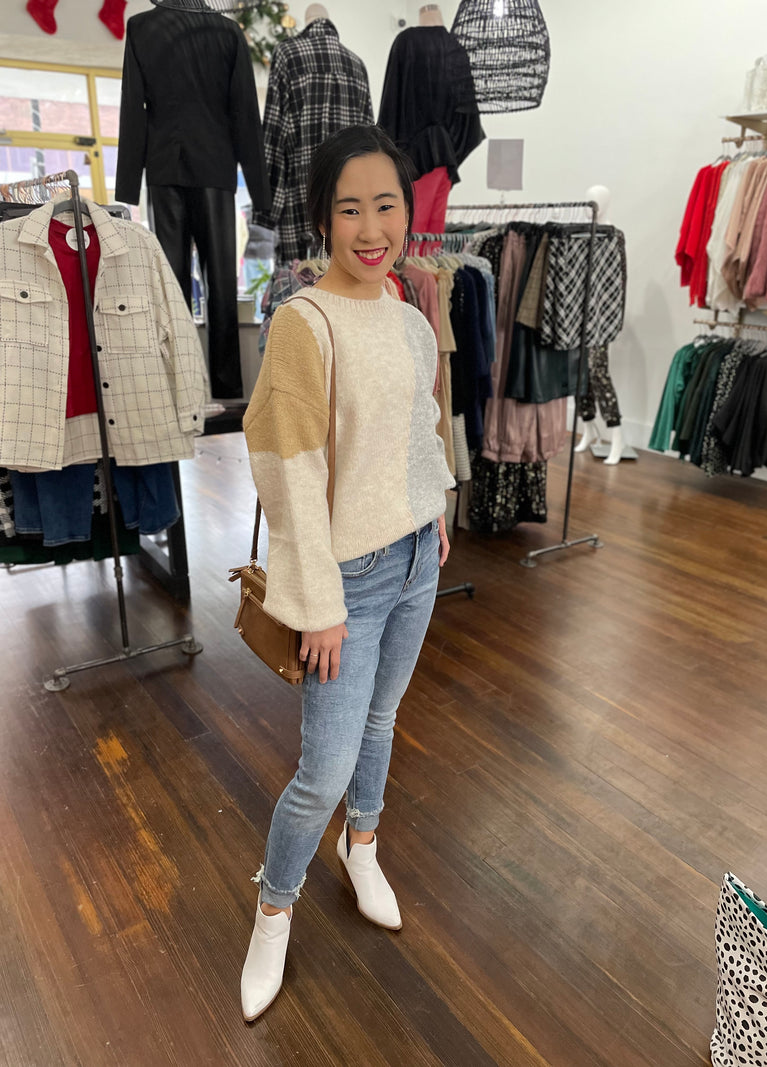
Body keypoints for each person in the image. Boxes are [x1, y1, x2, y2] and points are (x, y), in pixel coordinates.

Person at [240, 125, 455, 1021]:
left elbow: (420, 428)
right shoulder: (304, 322)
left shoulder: (409, 314)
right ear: (324, 218)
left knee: (381, 719)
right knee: (321, 769)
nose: (372, 229)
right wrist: (318, 603)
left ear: (409, 211)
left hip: (415, 559)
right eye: (351, 208)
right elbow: (287, 472)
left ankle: (362, 847)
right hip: (347, 579)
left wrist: (433, 509)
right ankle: (273, 907)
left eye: (387, 205)